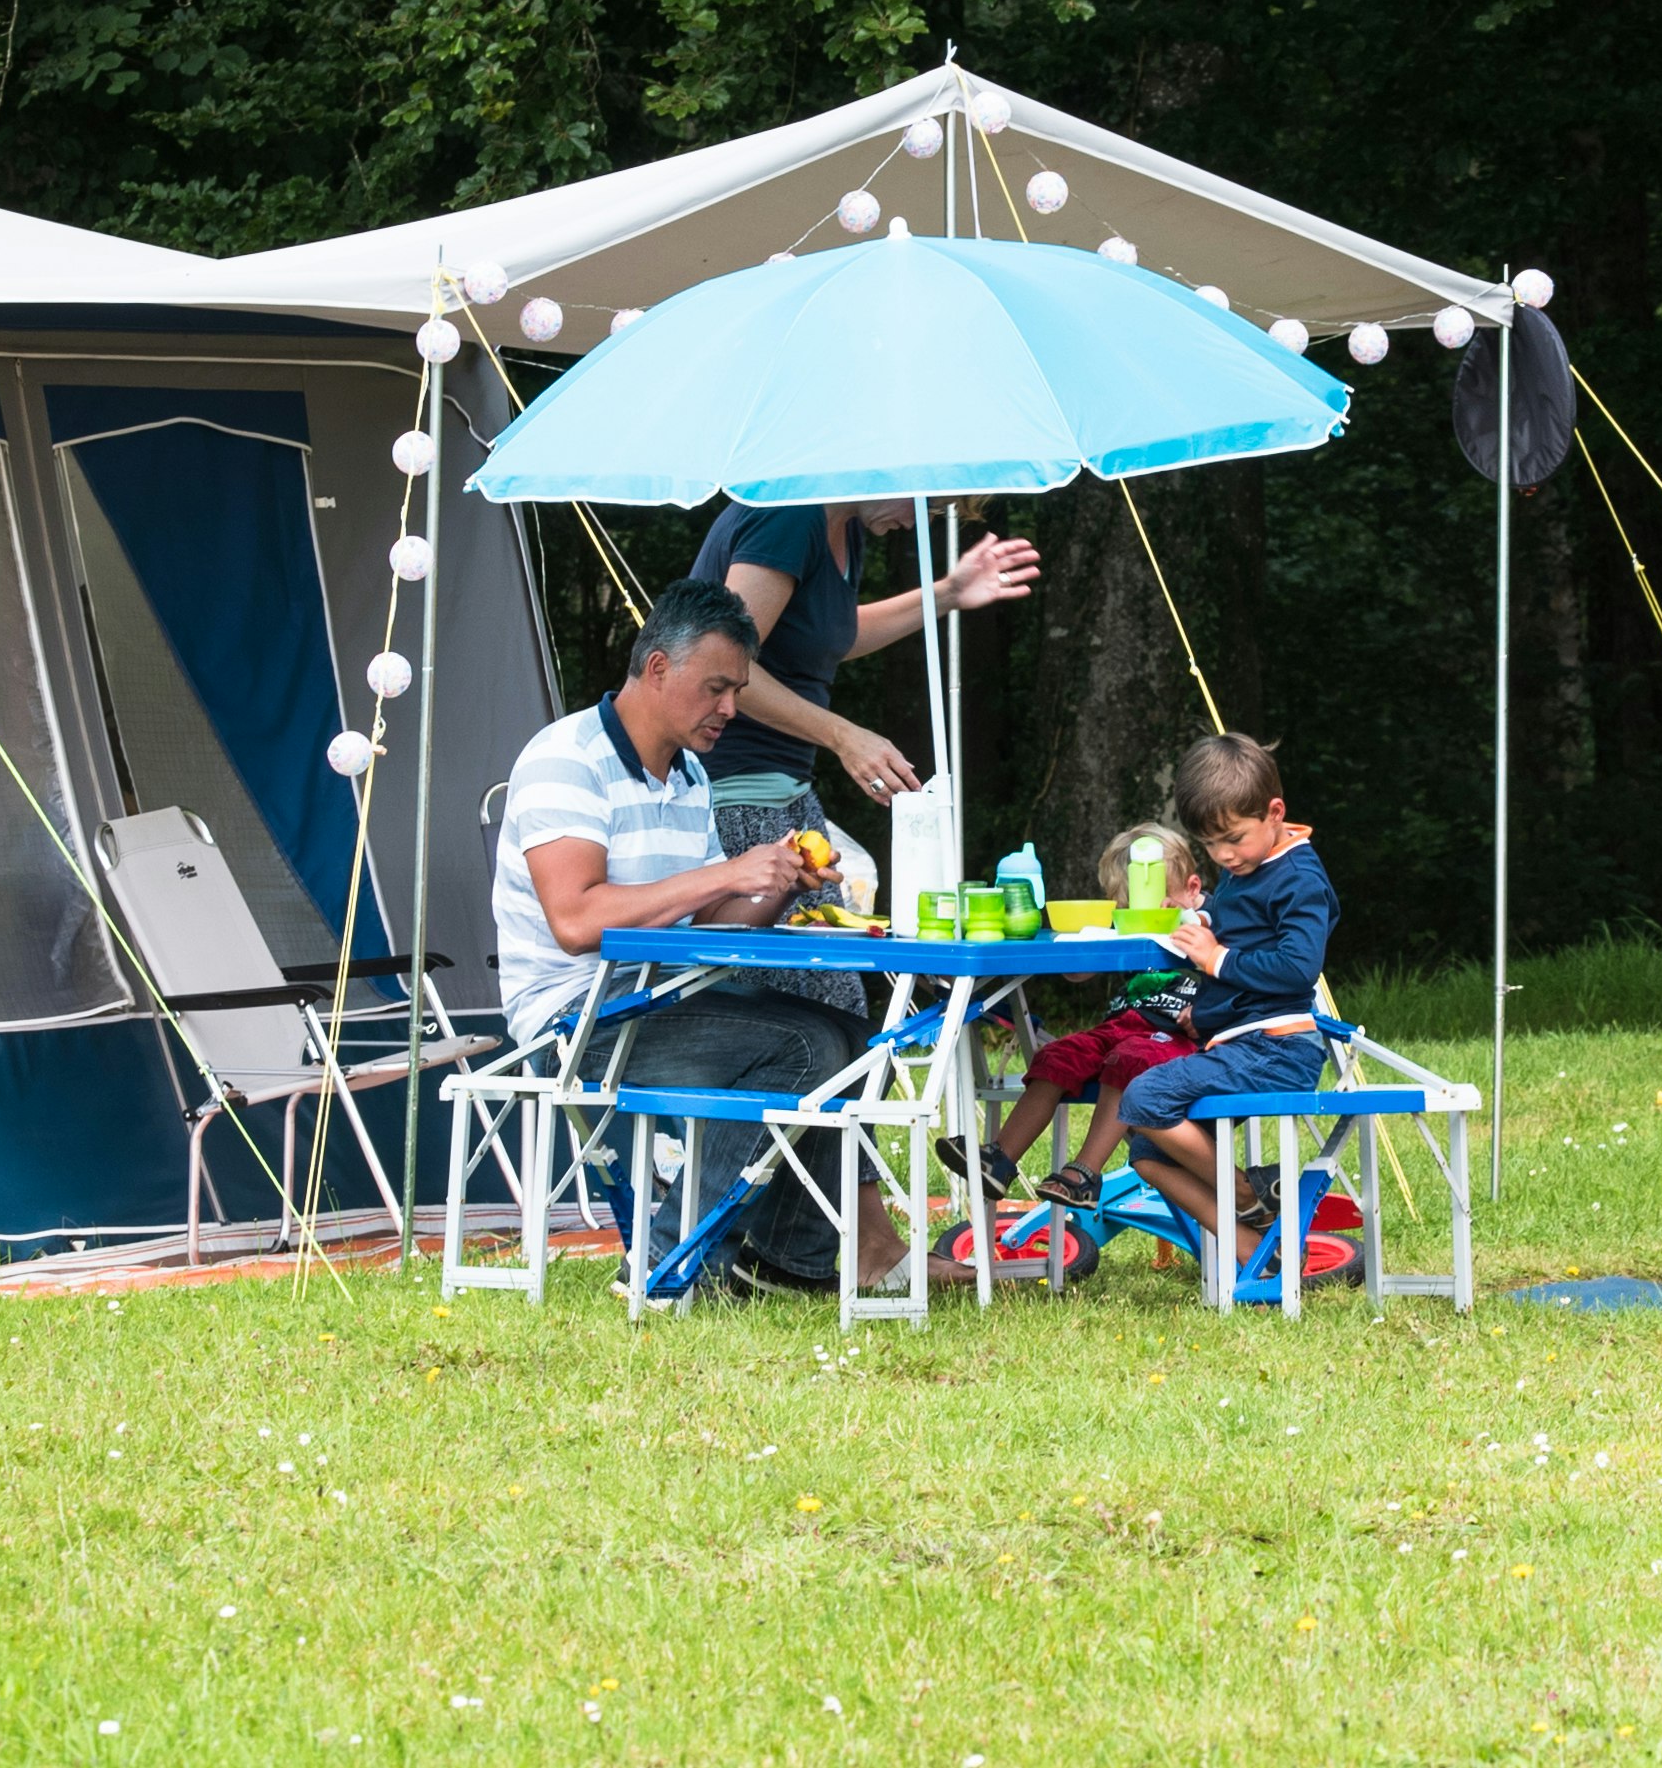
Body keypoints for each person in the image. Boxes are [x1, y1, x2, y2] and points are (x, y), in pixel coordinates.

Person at [494, 577, 972, 1295]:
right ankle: (669, 1256)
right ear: (657, 668)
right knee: (804, 1046)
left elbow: (702, 932)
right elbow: (578, 921)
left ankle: (783, 1260)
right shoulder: (565, 758)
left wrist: (769, 886)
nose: (729, 708)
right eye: (716, 688)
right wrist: (725, 872)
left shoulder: (687, 771)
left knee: (839, 1028)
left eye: (736, 689)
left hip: (654, 995)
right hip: (572, 1014)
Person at [689, 499, 1039, 1012]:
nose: (916, 523)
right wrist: (842, 735)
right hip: (734, 795)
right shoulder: (789, 514)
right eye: (925, 505)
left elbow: (827, 635)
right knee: (798, 1010)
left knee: (838, 1007)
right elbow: (719, 662)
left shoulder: (846, 527)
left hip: (789, 796)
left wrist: (948, 594)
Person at [1117, 734, 1341, 1247]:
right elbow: (1236, 926)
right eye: (1210, 844)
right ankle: (1260, 1259)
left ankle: (1248, 1197)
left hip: (1278, 1049)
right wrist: (1197, 927)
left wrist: (1215, 958)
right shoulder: (1247, 863)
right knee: (1148, 1155)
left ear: (1274, 813)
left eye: (1233, 839)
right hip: (1240, 1043)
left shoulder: (1299, 878)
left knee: (1143, 1095)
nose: (1223, 855)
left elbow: (1295, 969)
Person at [935, 822, 1204, 1206]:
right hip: (1121, 1027)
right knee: (1057, 1054)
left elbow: (1227, 957)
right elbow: (1077, 972)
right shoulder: (1126, 921)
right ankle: (999, 1158)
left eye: (1155, 898)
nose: (1140, 911)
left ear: (1192, 890)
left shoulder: (1203, 922)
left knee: (1128, 1061)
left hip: (1175, 1036)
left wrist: (1182, 920)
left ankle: (1085, 1174)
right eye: (1127, 904)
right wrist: (1086, 934)